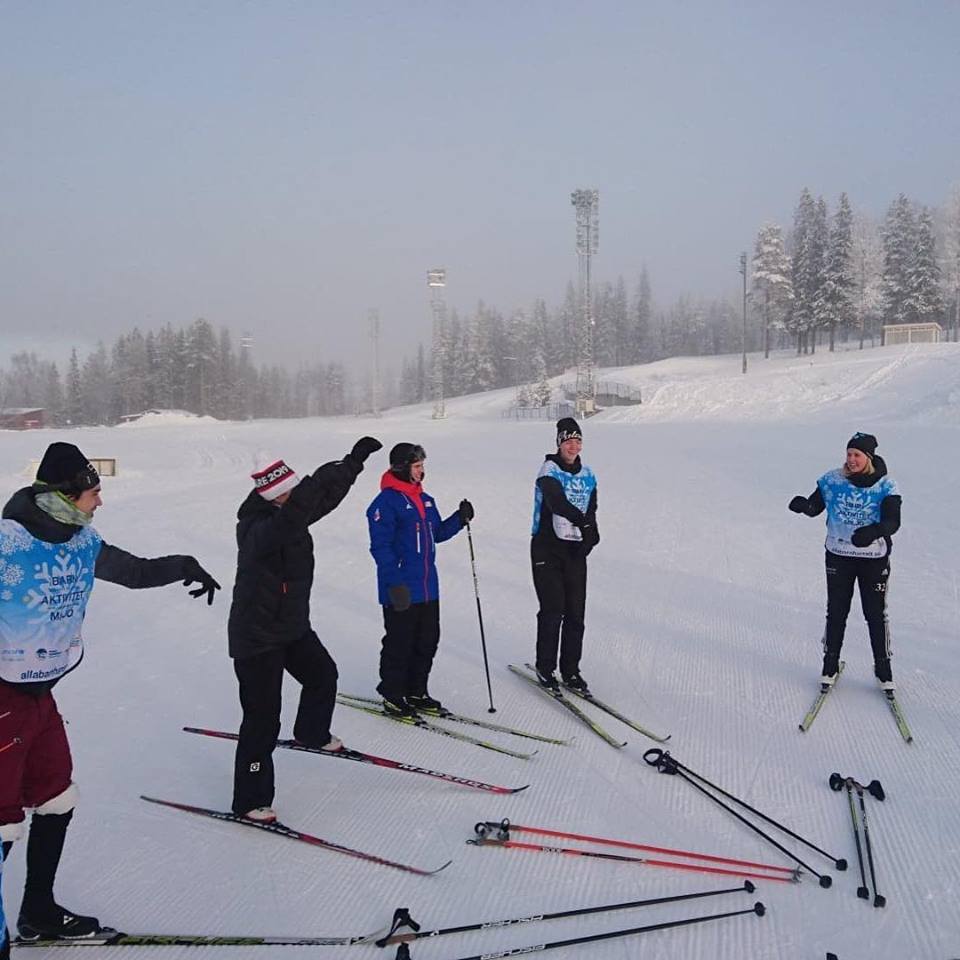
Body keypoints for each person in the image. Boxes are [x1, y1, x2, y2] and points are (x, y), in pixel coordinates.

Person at [0, 442, 220, 942]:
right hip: (2, 700)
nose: (100, 502)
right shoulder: (6, 542)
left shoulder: (83, 542)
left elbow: (136, 572)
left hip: (40, 697)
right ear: (66, 495)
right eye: (94, 493)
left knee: (56, 797)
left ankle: (38, 912)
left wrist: (184, 563)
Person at [229, 438, 382, 823]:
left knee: (322, 674)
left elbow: (321, 500)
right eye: (291, 490)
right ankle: (250, 800)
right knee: (262, 720)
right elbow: (296, 513)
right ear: (275, 495)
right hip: (257, 637)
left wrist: (352, 463)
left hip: (291, 626)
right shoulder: (256, 528)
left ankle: (311, 732)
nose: (298, 495)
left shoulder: (290, 512)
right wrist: (310, 486)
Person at [366, 443, 473, 717]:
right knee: (399, 642)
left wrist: (460, 519)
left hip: (427, 587)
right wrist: (394, 583)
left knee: (427, 641)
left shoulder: (425, 499)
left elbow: (436, 532)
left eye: (422, 465)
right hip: (401, 587)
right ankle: (392, 693)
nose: (421, 471)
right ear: (401, 467)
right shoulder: (385, 503)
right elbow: (381, 547)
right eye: (416, 466)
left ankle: (416, 691)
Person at [789, 432, 902, 690]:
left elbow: (893, 522)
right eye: (849, 454)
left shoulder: (886, 485)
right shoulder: (832, 480)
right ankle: (830, 665)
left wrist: (874, 532)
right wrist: (804, 506)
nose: (851, 460)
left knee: (875, 613)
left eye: (857, 455)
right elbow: (816, 506)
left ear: (868, 458)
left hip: (873, 557)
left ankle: (883, 669)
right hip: (839, 555)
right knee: (837, 611)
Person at [530, 417, 599, 693]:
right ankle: (545, 668)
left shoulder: (588, 474)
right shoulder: (549, 470)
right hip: (547, 547)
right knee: (553, 610)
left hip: (574, 549)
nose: (573, 446)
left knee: (575, 612)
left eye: (578, 440)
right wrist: (582, 522)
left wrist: (591, 532)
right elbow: (556, 502)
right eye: (568, 440)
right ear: (559, 443)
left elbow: (591, 507)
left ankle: (571, 670)